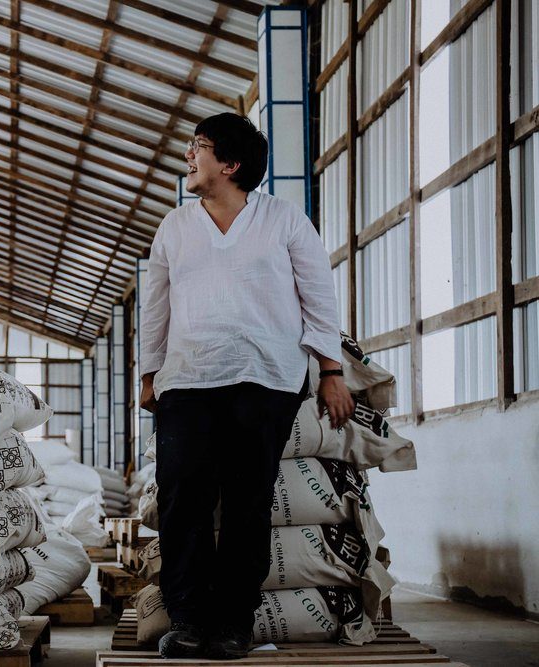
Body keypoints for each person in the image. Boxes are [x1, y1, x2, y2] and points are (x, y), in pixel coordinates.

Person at [139, 113, 354, 660]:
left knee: (246, 503)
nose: (189, 156)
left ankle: (234, 624)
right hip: (187, 380)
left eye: (199, 148)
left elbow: (318, 298)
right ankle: (188, 621)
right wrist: (148, 373)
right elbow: (156, 307)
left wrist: (332, 372)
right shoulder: (175, 227)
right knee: (183, 501)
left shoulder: (284, 221)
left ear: (230, 164)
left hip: (266, 380)